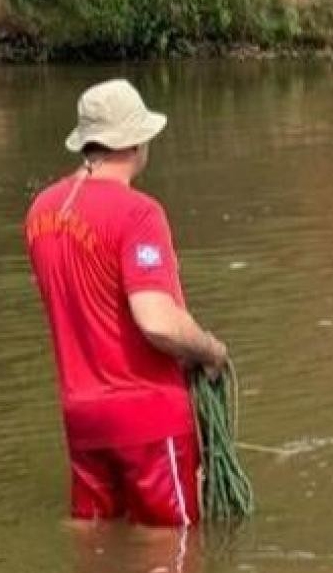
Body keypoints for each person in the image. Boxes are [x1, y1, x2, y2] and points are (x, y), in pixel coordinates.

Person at [24, 79, 227, 527]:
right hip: (148, 418)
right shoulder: (139, 213)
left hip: (82, 417)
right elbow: (156, 321)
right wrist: (210, 351)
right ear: (134, 143)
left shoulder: (40, 211)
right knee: (173, 551)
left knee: (94, 540)